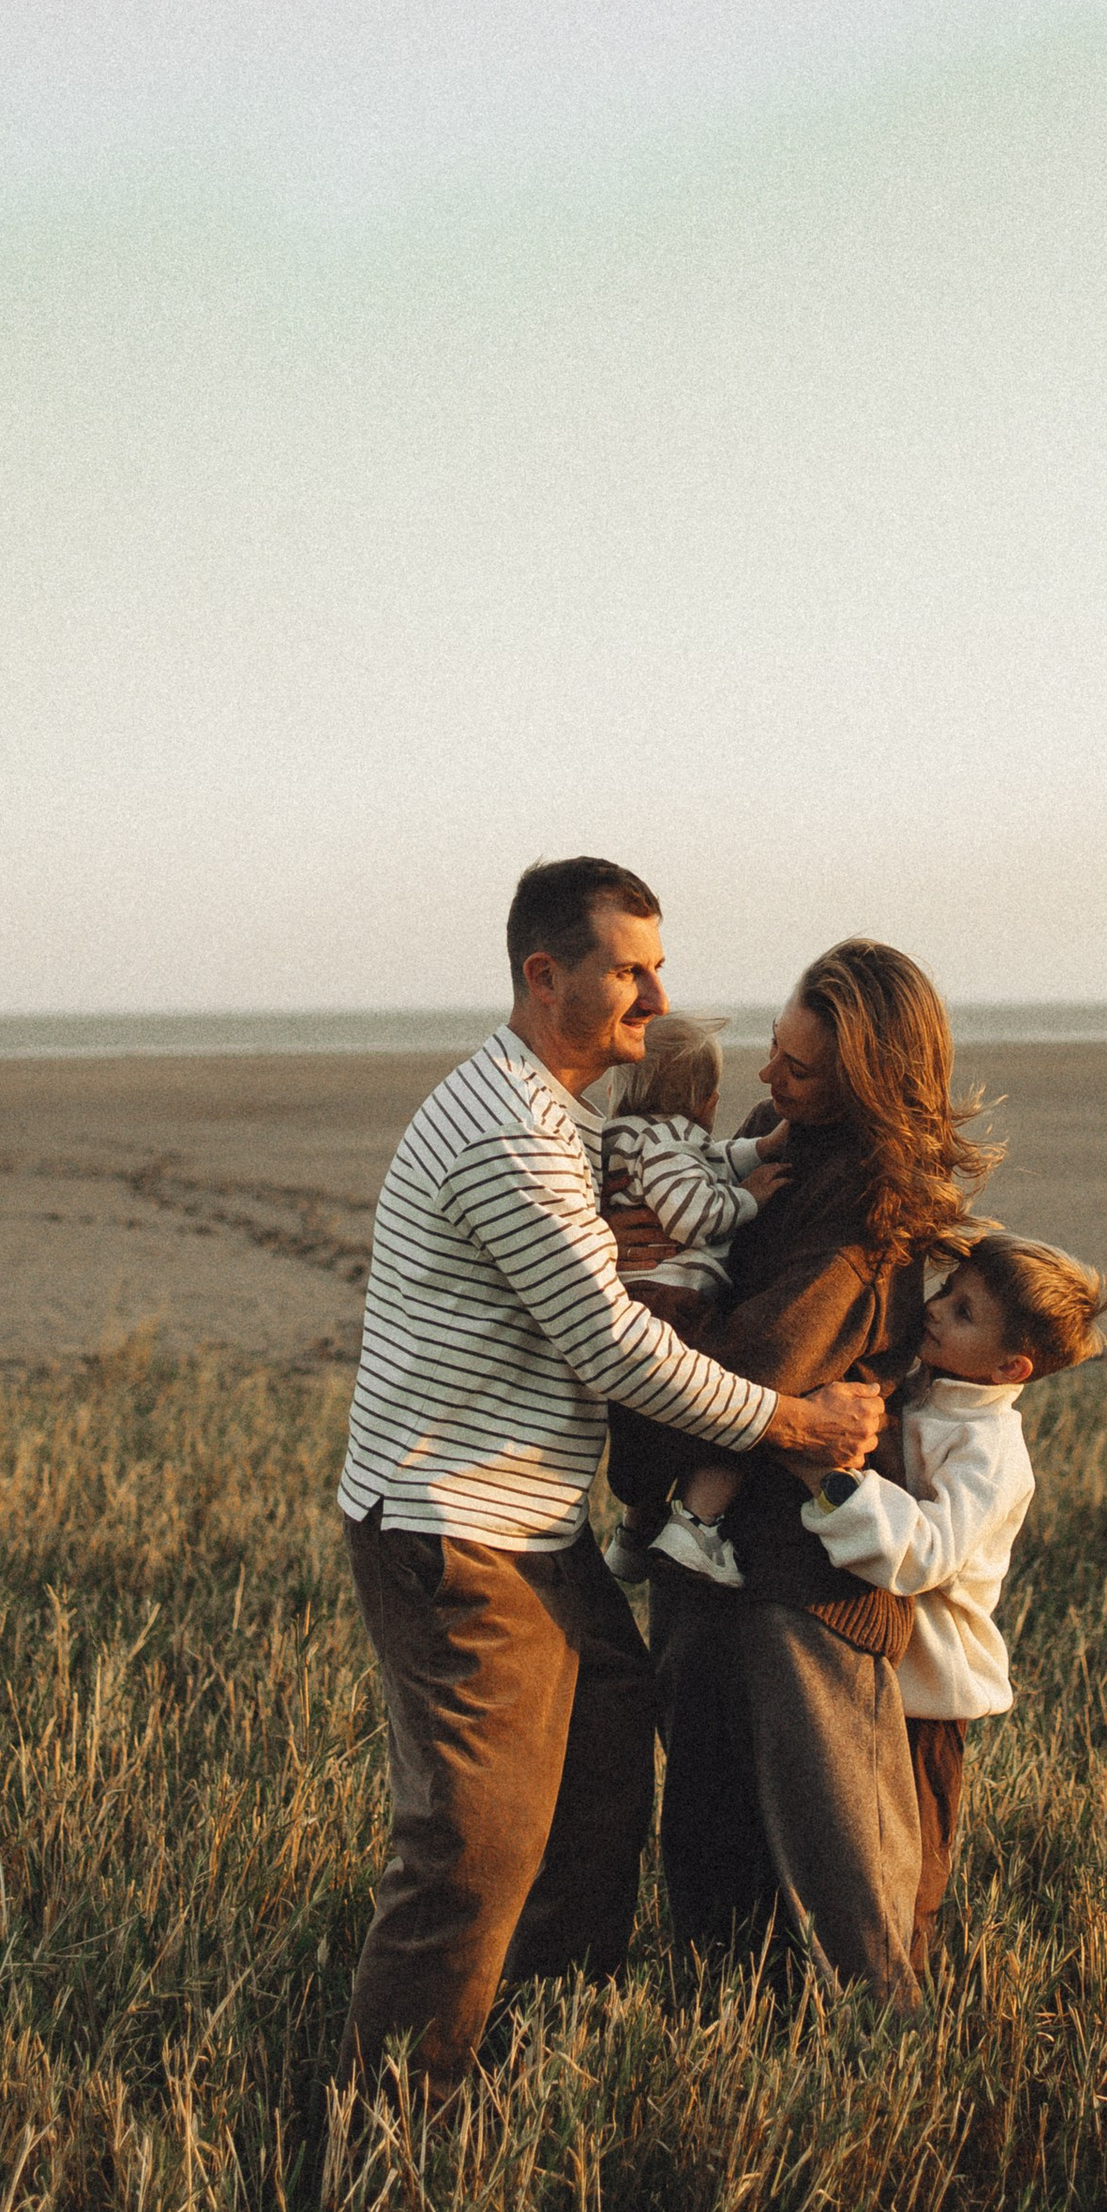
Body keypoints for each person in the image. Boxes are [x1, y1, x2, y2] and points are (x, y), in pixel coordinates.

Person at [334, 857, 881, 2089]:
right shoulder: (511, 1137)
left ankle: (528, 2058)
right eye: (629, 968)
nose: (656, 993)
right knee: (471, 1846)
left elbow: (626, 1256)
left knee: (597, 1782)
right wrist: (795, 1423)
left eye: (657, 964)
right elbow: (613, 1345)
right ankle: (389, 2125)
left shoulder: (564, 1123)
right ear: (546, 976)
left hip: (530, 1522)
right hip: (454, 1525)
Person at [614, 939, 997, 2009]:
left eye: (802, 1070)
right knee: (709, 1864)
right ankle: (723, 2070)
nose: (769, 1083)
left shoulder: (867, 1206)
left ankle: (886, 2091)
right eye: (775, 1055)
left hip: (802, 1579)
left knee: (846, 1888)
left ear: (871, 1082)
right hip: (704, 1554)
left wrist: (661, 1332)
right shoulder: (773, 1138)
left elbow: (758, 1366)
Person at [798, 1232, 1107, 1975]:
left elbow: (928, 1554)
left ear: (1012, 1368)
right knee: (848, 1838)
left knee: (913, 1854)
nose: (935, 1309)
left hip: (928, 1694)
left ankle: (902, 1986)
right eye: (946, 1291)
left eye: (964, 1311)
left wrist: (829, 1481)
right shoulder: (919, 1387)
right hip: (870, 1672)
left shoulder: (991, 1448)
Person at [599, 1012, 786, 1313]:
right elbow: (690, 1215)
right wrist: (747, 1198)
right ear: (707, 1102)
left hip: (641, 1294)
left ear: (613, 1092)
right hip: (668, 1297)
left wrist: (762, 1148)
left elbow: (709, 1163)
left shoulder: (634, 1141)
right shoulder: (665, 1141)